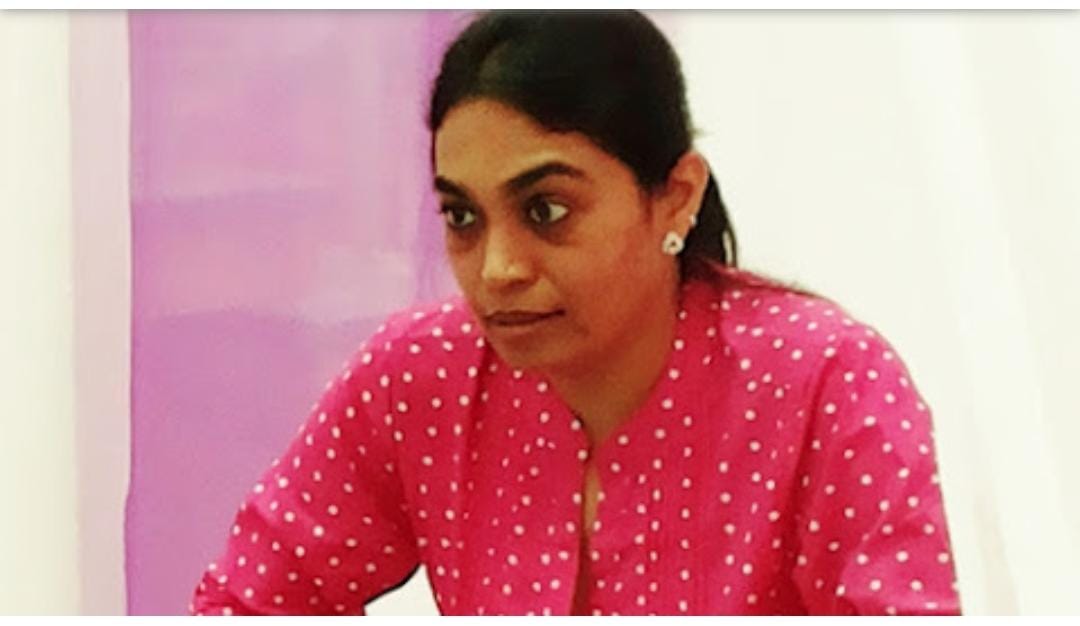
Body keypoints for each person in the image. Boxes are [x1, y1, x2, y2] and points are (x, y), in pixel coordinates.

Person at [190, 10, 960, 616]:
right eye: (463, 217)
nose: (498, 269)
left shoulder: (823, 383)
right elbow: (247, 601)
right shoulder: (418, 378)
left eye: (546, 210)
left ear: (676, 197)